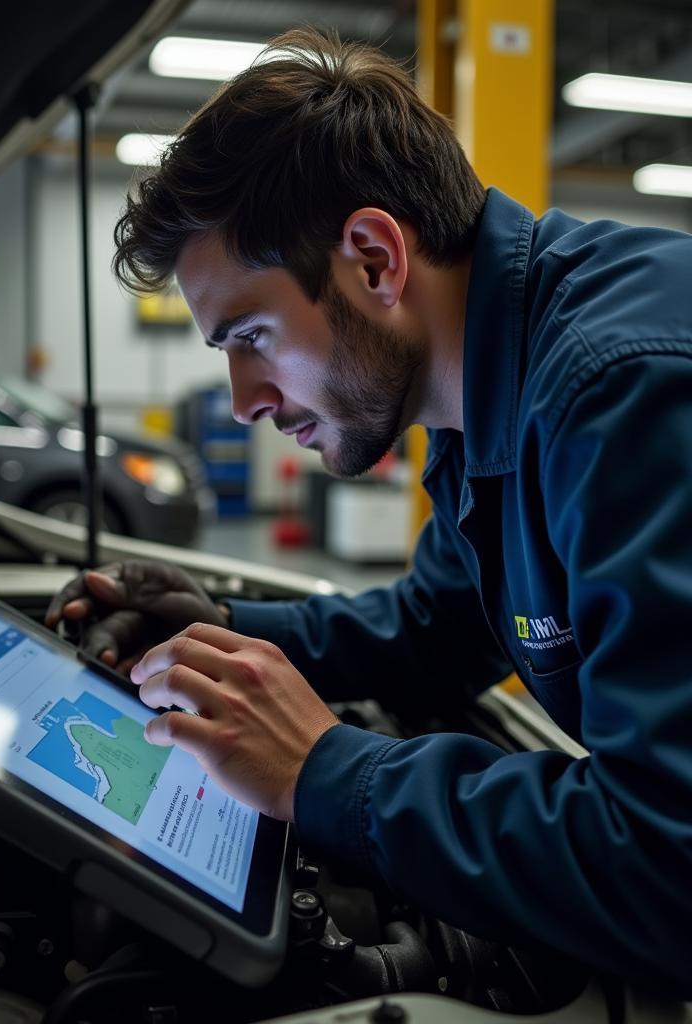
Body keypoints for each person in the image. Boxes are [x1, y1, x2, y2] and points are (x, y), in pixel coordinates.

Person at [46, 28, 692, 992]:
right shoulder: (488, 387)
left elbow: (669, 869)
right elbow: (438, 625)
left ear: (373, 258)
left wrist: (323, 770)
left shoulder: (618, 392)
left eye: (253, 335)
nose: (243, 401)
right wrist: (223, 629)